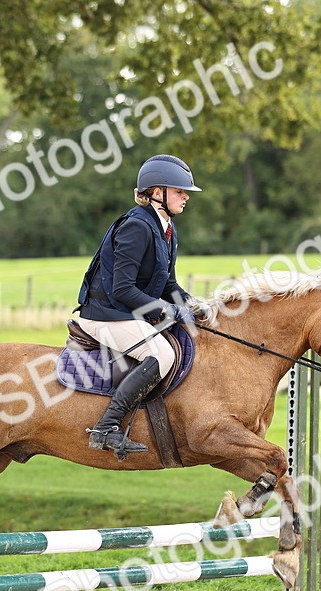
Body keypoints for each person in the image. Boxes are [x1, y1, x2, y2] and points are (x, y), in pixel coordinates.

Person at [74, 154, 201, 456]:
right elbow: (122, 289)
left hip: (126, 313)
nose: (186, 197)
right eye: (180, 191)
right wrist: (163, 310)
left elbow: (167, 283)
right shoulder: (137, 227)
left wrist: (193, 305)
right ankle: (106, 427)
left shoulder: (165, 228)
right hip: (106, 315)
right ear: (158, 193)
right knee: (162, 354)